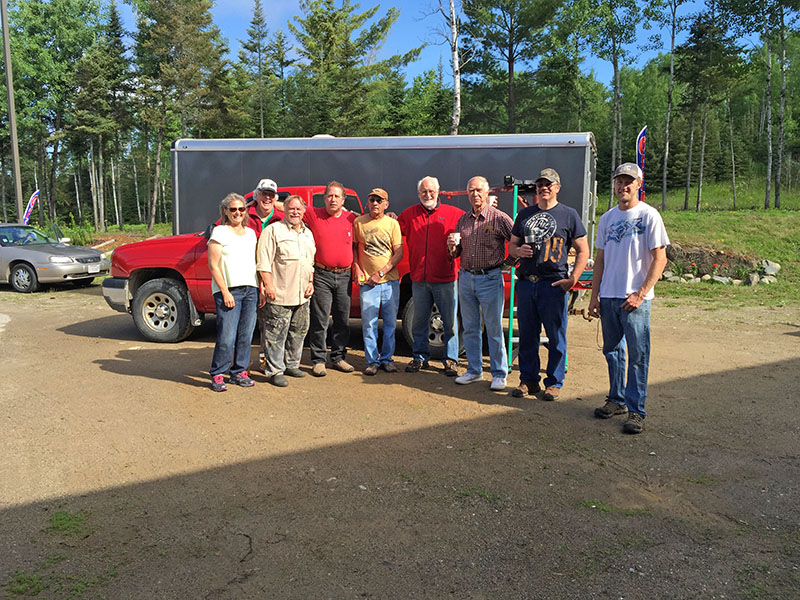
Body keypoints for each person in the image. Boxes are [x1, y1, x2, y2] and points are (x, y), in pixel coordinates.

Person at [588, 162, 669, 434]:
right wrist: (594, 295)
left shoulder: (649, 216)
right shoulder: (607, 218)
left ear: (638, 184)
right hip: (609, 295)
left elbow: (660, 258)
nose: (623, 186)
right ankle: (616, 399)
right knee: (612, 351)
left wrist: (641, 293)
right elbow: (600, 259)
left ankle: (636, 411)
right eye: (619, 181)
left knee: (637, 355)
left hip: (634, 299)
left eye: (628, 181)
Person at [508, 168, 590, 401]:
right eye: (540, 184)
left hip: (553, 284)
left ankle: (553, 382)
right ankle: (528, 380)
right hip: (526, 282)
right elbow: (513, 245)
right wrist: (518, 250)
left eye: (549, 184)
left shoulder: (568, 214)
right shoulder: (525, 215)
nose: (544, 187)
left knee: (555, 336)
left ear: (557, 187)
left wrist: (574, 278)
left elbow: (583, 249)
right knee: (527, 335)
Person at [448, 176, 514, 391]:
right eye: (471, 191)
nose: (475, 194)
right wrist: (452, 248)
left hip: (489, 278)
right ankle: (474, 370)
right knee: (470, 328)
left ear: (487, 193)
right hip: (466, 277)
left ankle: (498, 373)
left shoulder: (499, 218)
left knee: (494, 329)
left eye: (478, 190)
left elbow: (517, 243)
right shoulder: (463, 220)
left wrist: (506, 265)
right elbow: (458, 252)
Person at [397, 176, 464, 376]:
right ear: (418, 193)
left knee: (450, 322)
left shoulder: (454, 214)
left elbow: (472, 224)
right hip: (419, 279)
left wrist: (488, 204)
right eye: (424, 191)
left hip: (445, 278)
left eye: (431, 191)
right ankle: (419, 357)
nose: (428, 195)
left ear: (438, 191)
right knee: (419, 321)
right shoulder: (409, 215)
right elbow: (391, 228)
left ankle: (451, 359)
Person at [256, 195, 316, 387]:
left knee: (298, 331)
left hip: (302, 295)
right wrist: (269, 286)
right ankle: (275, 370)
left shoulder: (308, 233)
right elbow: (263, 261)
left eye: (299, 209)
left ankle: (292, 364)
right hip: (280, 293)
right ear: (284, 210)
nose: (295, 212)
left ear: (304, 211)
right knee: (275, 334)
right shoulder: (273, 231)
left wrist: (311, 282)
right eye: (291, 208)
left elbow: (310, 262)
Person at [304, 181, 358, 377]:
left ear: (343, 200)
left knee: (342, 318)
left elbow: (371, 222)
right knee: (320, 319)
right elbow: (289, 207)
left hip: (344, 275)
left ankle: (338, 357)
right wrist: (262, 202)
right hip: (322, 275)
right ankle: (318, 360)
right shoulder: (313, 214)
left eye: (337, 196)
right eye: (330, 196)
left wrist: (392, 215)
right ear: (324, 198)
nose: (333, 199)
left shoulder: (352, 218)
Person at [208, 193, 259, 392]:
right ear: (226, 211)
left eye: (241, 209)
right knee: (227, 336)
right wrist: (225, 291)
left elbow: (255, 262)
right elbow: (214, 264)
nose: (238, 212)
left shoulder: (251, 233)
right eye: (233, 209)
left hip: (250, 290)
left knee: (246, 335)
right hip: (229, 291)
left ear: (246, 211)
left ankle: (239, 372)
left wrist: (260, 288)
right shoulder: (220, 232)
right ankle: (218, 373)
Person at [353, 188, 404, 375]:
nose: (374, 203)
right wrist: (356, 267)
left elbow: (399, 252)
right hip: (368, 283)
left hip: (389, 282)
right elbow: (354, 248)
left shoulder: (392, 224)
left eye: (379, 200)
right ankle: (372, 361)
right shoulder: (358, 222)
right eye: (372, 199)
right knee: (369, 323)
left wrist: (381, 273)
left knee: (390, 323)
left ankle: (387, 359)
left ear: (386, 204)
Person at [247, 178, 286, 375]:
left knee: (268, 323)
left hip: (272, 277)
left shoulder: (281, 217)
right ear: (257, 195)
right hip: (246, 276)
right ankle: (240, 363)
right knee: (244, 322)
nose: (267, 198)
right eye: (264, 193)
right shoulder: (243, 214)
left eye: (271, 195)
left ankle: (265, 361)